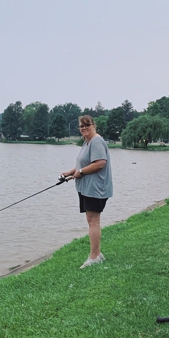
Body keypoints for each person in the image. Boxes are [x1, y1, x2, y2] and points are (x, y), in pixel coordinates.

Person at [61, 115, 113, 268]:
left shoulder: (96, 141)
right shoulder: (87, 142)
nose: (83, 128)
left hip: (95, 189)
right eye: (81, 126)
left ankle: (94, 257)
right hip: (87, 188)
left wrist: (81, 172)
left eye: (86, 125)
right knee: (91, 221)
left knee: (93, 222)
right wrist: (70, 173)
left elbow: (99, 164)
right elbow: (83, 164)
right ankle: (98, 253)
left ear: (93, 125)